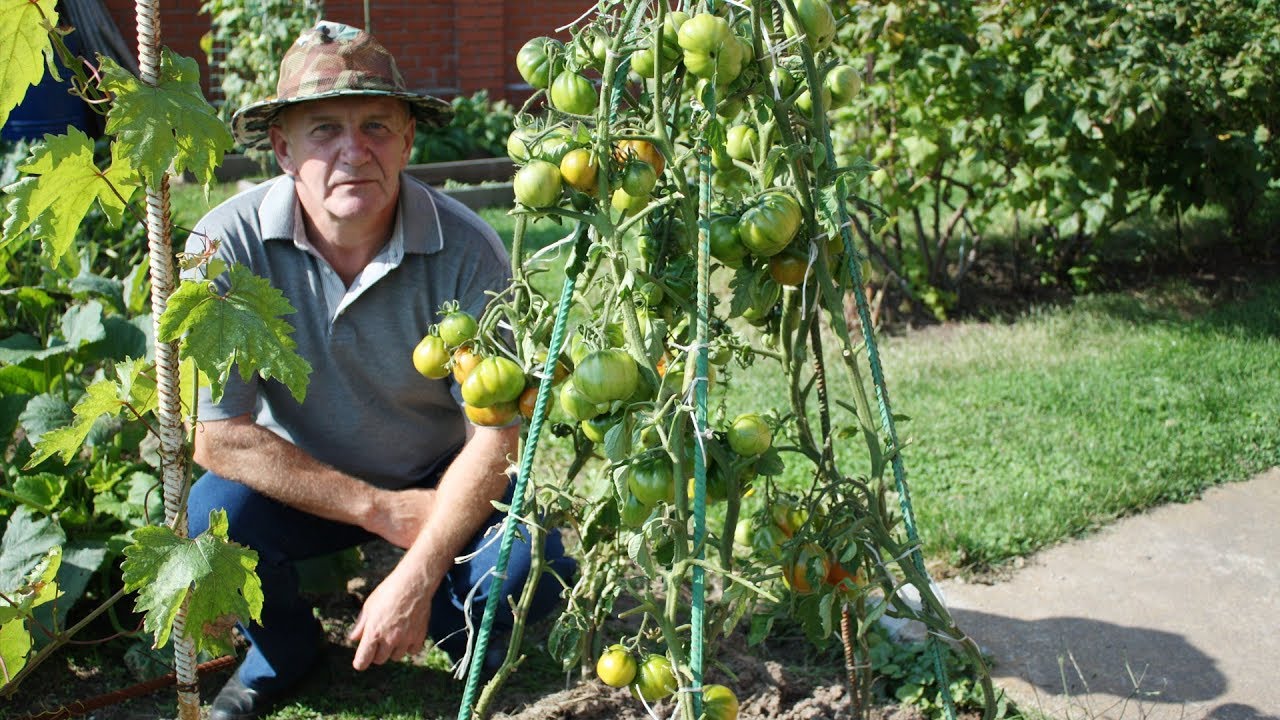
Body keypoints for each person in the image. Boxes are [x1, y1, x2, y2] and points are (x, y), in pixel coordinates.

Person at [183, 21, 575, 720]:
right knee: (215, 514)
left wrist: (417, 574)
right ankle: (284, 652)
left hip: (439, 478)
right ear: (282, 149)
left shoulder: (468, 250)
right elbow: (219, 437)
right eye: (324, 129)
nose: (352, 151)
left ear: (408, 141)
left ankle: (449, 624)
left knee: (527, 569)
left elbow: (498, 434)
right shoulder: (220, 247)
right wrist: (383, 512)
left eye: (376, 126)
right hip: (302, 482)